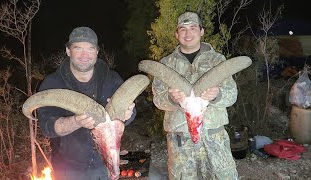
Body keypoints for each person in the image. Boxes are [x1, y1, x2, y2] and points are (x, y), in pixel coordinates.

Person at [37, 26, 136, 180]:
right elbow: (47, 127)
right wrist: (76, 121)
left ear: (97, 52)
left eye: (90, 49)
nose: (85, 55)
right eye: (78, 48)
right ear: (68, 51)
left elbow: (130, 114)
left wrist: (128, 113)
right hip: (68, 169)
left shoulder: (112, 79)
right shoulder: (52, 84)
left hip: (104, 164)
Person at [152, 11, 238, 179]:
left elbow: (232, 95)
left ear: (201, 31)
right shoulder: (166, 64)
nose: (188, 33)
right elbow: (158, 99)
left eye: (193, 28)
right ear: (177, 34)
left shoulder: (217, 61)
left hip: (214, 137)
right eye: (182, 29)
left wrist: (217, 95)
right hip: (180, 141)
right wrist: (171, 99)